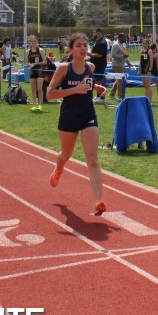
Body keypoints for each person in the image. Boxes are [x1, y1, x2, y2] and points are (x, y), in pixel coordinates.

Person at [46, 32, 107, 217]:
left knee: (93, 160)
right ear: (71, 49)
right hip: (69, 117)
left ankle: (98, 201)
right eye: (78, 45)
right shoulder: (64, 69)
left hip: (88, 115)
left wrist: (96, 87)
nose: (83, 48)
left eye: (85, 45)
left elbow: (86, 85)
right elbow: (50, 94)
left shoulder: (90, 66)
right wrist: (74, 89)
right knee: (66, 155)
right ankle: (58, 169)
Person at [25, 35, 46, 111]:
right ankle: (34, 105)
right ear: (29, 42)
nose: (33, 43)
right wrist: (30, 65)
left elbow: (45, 62)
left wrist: (36, 63)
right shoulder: (28, 51)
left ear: (37, 42)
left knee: (39, 89)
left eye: (35, 41)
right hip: (32, 71)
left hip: (39, 70)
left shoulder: (40, 50)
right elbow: (26, 62)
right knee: (33, 89)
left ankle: (40, 105)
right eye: (32, 41)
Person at [108, 33, 132, 100]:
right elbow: (113, 55)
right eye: (124, 37)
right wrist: (122, 56)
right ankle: (120, 96)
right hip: (117, 65)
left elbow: (125, 55)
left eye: (125, 37)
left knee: (119, 79)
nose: (125, 38)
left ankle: (111, 94)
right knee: (120, 80)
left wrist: (129, 63)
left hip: (122, 65)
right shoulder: (116, 45)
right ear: (119, 38)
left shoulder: (123, 45)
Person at [139, 37, 158, 102]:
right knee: (145, 85)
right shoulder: (142, 51)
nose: (144, 45)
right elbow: (141, 61)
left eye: (145, 43)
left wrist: (149, 70)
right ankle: (146, 99)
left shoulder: (149, 51)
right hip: (143, 69)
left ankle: (150, 100)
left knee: (148, 85)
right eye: (143, 43)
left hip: (147, 70)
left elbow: (151, 61)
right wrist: (139, 69)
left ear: (148, 44)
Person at [90, 28, 109, 100]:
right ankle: (98, 96)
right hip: (97, 64)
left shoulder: (101, 42)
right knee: (97, 80)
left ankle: (101, 97)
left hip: (99, 64)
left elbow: (99, 55)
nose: (93, 34)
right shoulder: (99, 41)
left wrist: (89, 54)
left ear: (98, 33)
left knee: (98, 80)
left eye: (94, 32)